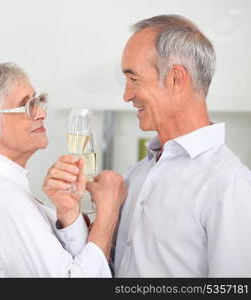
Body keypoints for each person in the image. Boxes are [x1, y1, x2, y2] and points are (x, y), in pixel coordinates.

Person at [44, 15, 251, 277]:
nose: (127, 95)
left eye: (134, 79)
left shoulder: (229, 184)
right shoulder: (135, 175)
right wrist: (70, 213)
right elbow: (101, 271)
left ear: (176, 78)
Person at [0, 63, 122, 277]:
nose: (41, 113)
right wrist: (108, 213)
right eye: (26, 105)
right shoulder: (1, 197)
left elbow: (71, 264)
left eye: (38, 101)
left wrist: (69, 213)